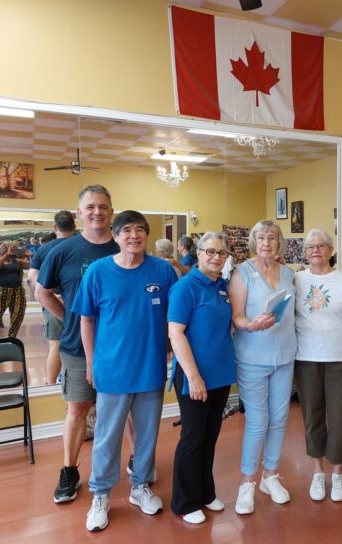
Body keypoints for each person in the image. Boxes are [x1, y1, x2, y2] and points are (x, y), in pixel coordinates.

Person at [73, 210, 178, 532]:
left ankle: (140, 486)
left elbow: (177, 315)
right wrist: (90, 362)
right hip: (112, 369)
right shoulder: (98, 272)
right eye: (127, 230)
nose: (134, 235)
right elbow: (86, 320)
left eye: (140, 230)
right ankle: (101, 494)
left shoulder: (163, 270)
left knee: (147, 435)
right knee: (107, 437)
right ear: (115, 236)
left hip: (150, 368)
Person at [36, 185, 119, 504]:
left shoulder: (124, 245)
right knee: (77, 408)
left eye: (103, 206)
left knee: (123, 409)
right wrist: (70, 317)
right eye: (90, 207)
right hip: (76, 347)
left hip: (119, 347)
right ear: (79, 212)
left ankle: (136, 465)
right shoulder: (62, 251)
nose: (97, 212)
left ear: (112, 211)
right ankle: (69, 471)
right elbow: (43, 292)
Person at [168, 232, 236, 524]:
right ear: (198, 254)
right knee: (193, 438)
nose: (216, 257)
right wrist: (194, 376)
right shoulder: (186, 287)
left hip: (220, 374)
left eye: (221, 253)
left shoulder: (223, 286)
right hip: (193, 375)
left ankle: (206, 493)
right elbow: (176, 333)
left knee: (210, 437)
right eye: (210, 251)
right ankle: (184, 502)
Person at [229, 219, 296, 515]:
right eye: (261, 237)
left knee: (279, 418)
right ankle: (247, 483)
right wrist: (251, 325)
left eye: (271, 237)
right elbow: (237, 317)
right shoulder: (242, 272)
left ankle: (270, 476)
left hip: (284, 355)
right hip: (252, 357)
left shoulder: (289, 274)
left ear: (279, 241)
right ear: (253, 242)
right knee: (258, 421)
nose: (266, 242)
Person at [294, 228, 342, 503]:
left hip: (341, 359)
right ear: (304, 252)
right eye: (310, 246)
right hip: (306, 359)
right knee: (312, 417)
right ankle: (317, 472)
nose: (315, 250)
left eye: (321, 245)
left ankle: (337, 472)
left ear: (330, 250)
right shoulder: (297, 279)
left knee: (340, 419)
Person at [28, 210, 77, 385]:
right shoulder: (82, 245)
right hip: (78, 302)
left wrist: (50, 294)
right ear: (74, 227)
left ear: (55, 227)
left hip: (53, 302)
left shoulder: (44, 250)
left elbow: (32, 277)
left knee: (55, 344)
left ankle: (51, 385)